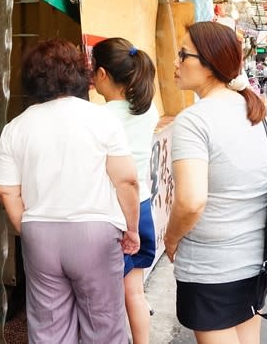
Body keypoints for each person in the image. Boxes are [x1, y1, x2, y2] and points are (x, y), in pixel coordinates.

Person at [0, 39, 141, 344]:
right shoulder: (102, 119)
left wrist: (31, 226)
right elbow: (126, 181)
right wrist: (133, 229)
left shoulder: (16, 127)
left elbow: (6, 191)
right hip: (95, 234)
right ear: (80, 74)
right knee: (103, 326)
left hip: (39, 235)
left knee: (49, 330)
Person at [164, 22, 267, 344]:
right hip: (254, 257)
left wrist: (170, 240)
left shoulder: (194, 120)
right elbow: (266, 180)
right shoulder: (253, 111)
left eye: (183, 54)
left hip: (212, 267)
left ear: (209, 64)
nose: (175, 62)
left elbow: (191, 201)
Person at [91, 37, 159, 344]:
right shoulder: (149, 111)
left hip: (114, 210)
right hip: (142, 206)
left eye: (92, 70)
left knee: (109, 295)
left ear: (102, 74)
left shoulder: (101, 117)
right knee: (134, 290)